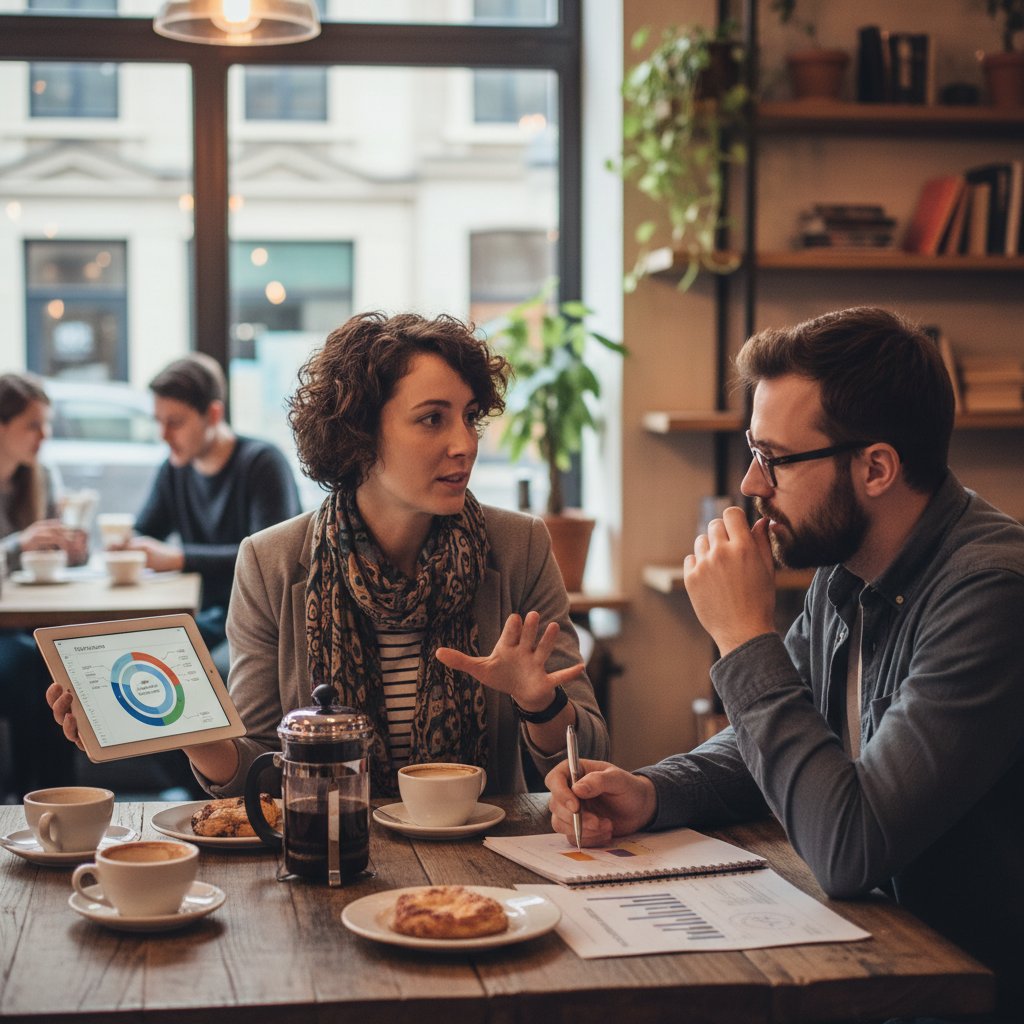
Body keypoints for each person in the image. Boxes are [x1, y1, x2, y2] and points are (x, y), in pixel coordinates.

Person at [546, 307, 1024, 1019]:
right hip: (878, 958)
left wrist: (743, 637)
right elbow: (771, 741)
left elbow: (851, 849)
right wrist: (652, 792)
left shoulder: (992, 593)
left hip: (963, 989)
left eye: (775, 458)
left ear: (877, 468)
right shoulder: (848, 566)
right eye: (751, 451)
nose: (750, 484)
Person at [52, 312, 609, 798]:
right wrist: (200, 737)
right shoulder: (271, 563)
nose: (464, 443)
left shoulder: (518, 548)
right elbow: (264, 775)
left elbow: (589, 753)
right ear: (359, 433)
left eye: (469, 416)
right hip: (333, 856)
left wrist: (539, 703)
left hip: (478, 858)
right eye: (433, 418)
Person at [119, 353, 301, 676]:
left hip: (261, 620)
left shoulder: (262, 464)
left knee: (173, 665)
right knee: (129, 656)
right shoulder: (176, 470)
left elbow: (271, 563)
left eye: (174, 422)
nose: (163, 435)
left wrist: (179, 559)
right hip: (207, 615)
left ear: (213, 414)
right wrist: (123, 544)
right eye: (158, 422)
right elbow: (146, 531)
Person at [0, 372, 86, 796]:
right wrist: (20, 544)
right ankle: (30, 793)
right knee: (28, 666)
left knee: (58, 665)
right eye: (33, 425)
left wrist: (73, 548)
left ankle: (60, 794)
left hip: (26, 623)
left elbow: (60, 555)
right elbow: (20, 551)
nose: (44, 435)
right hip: (8, 631)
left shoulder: (41, 475)